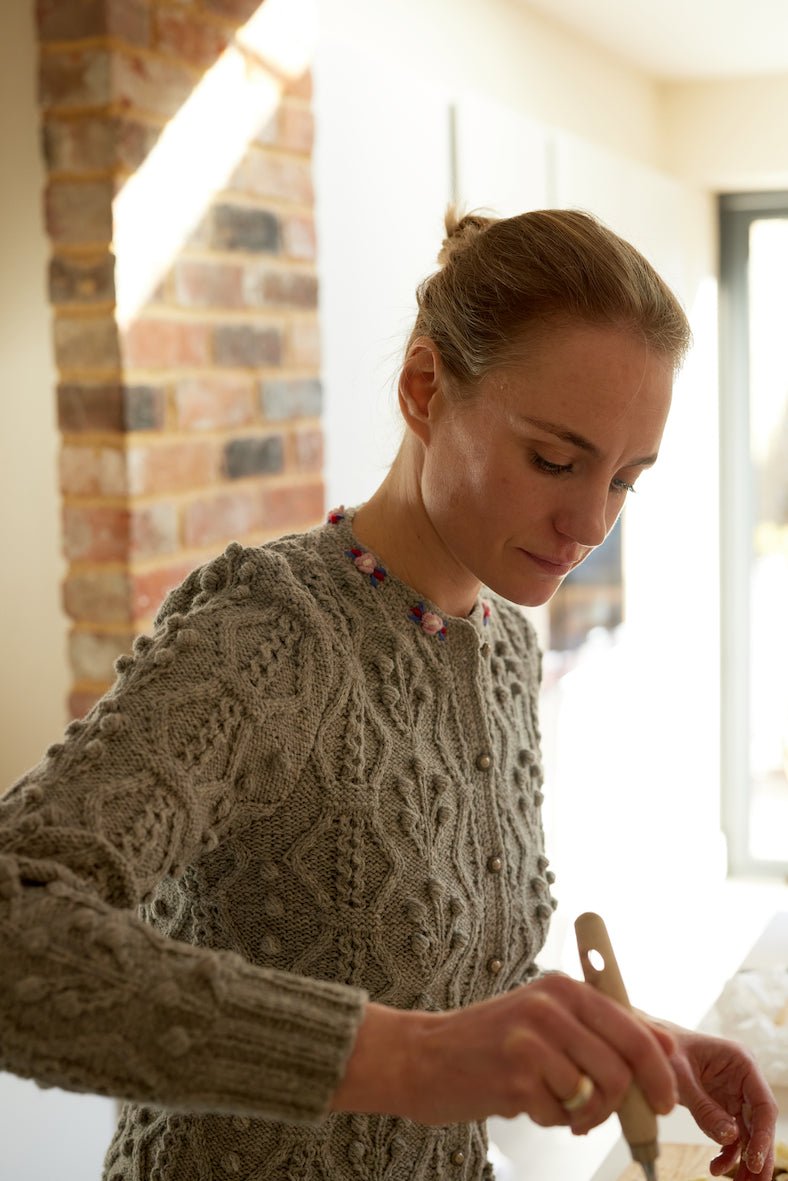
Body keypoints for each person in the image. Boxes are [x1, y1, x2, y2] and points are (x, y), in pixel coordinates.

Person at [0, 207, 776, 1181]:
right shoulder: (269, 635)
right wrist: (410, 1059)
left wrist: (634, 1042)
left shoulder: (498, 652)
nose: (589, 521)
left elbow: (438, 971)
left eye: (625, 479)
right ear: (422, 389)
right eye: (552, 458)